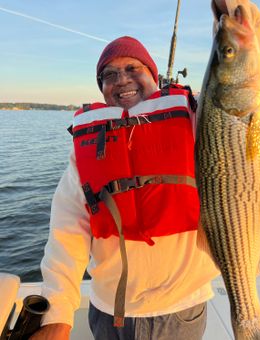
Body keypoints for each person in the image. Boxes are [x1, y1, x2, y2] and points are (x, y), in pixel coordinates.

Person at [30, 36, 219, 340]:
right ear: (102, 89)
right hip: (109, 312)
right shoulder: (86, 150)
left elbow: (239, 82)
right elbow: (67, 233)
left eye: (133, 68)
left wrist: (230, 15)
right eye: (109, 75)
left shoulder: (198, 122)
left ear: (154, 76)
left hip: (181, 309)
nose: (122, 80)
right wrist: (58, 314)